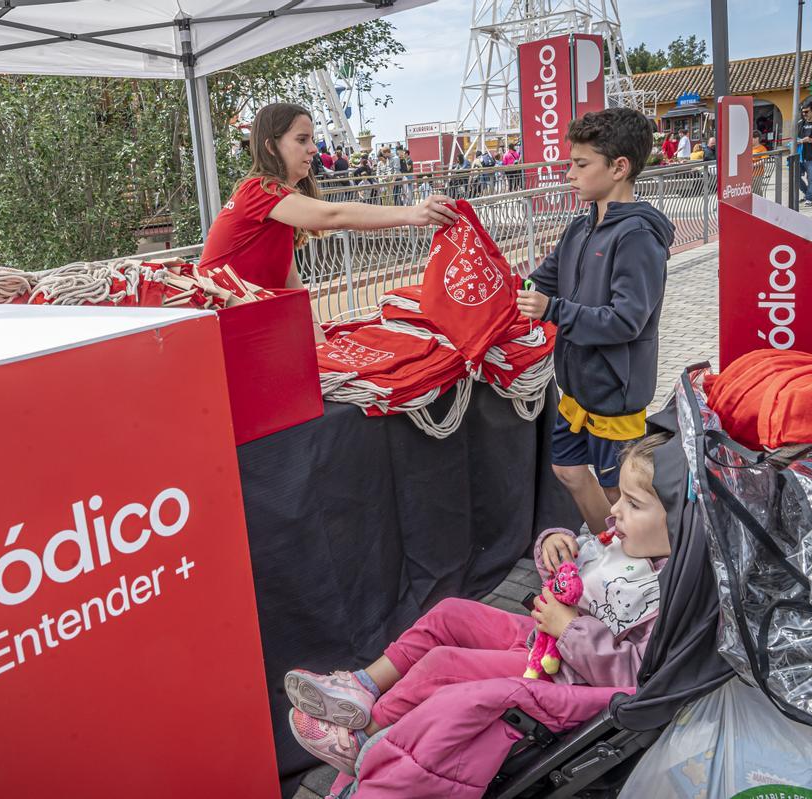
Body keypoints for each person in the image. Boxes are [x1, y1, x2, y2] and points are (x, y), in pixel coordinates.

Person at [286, 432, 675, 778]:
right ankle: (360, 686)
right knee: (450, 611)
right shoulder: (628, 545)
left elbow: (636, 672)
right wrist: (555, 545)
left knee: (445, 665)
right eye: (620, 497)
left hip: (564, 679)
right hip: (547, 641)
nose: (615, 510)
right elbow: (576, 571)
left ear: (676, 523)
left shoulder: (668, 592)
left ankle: (360, 737)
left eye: (634, 504)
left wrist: (569, 627)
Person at [516, 107, 674, 537]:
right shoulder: (579, 228)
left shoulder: (638, 236)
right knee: (567, 468)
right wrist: (491, 282)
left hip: (614, 395)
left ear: (619, 167)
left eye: (581, 164)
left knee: (620, 491)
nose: (570, 174)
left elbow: (627, 321)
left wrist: (552, 311)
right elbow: (539, 279)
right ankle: (610, 547)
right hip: (576, 387)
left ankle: (639, 566)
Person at [199, 103, 459, 340]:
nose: (313, 148)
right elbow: (333, 215)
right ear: (271, 147)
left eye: (311, 139)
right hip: (220, 323)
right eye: (302, 140)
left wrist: (318, 340)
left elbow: (290, 282)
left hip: (238, 320)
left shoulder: (273, 199)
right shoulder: (260, 190)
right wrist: (412, 214)